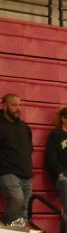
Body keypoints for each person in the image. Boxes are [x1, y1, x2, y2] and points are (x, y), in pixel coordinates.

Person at [0, 94, 33, 224]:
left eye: (20, 105)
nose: (18, 108)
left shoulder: (24, 127)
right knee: (17, 199)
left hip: (25, 173)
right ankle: (5, 229)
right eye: (14, 105)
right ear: (4, 106)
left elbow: (29, 148)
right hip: (7, 171)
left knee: (25, 208)